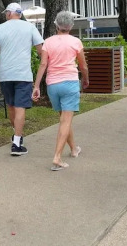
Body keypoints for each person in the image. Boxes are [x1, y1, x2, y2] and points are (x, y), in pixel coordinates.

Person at [32, 11, 89, 171]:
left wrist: (36, 86)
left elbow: (43, 65)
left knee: (64, 118)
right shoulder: (76, 42)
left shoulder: (48, 42)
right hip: (70, 83)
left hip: (53, 85)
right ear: (71, 26)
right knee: (66, 119)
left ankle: (73, 149)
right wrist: (86, 79)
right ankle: (57, 157)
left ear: (56, 25)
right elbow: (83, 65)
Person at [0, 2, 44, 156]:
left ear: (10, 13)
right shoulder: (30, 27)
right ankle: (17, 142)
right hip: (23, 74)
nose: (5, 15)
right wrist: (45, 67)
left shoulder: (0, 28)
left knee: (11, 105)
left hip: (5, 74)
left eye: (6, 13)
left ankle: (16, 136)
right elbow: (41, 50)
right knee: (20, 107)